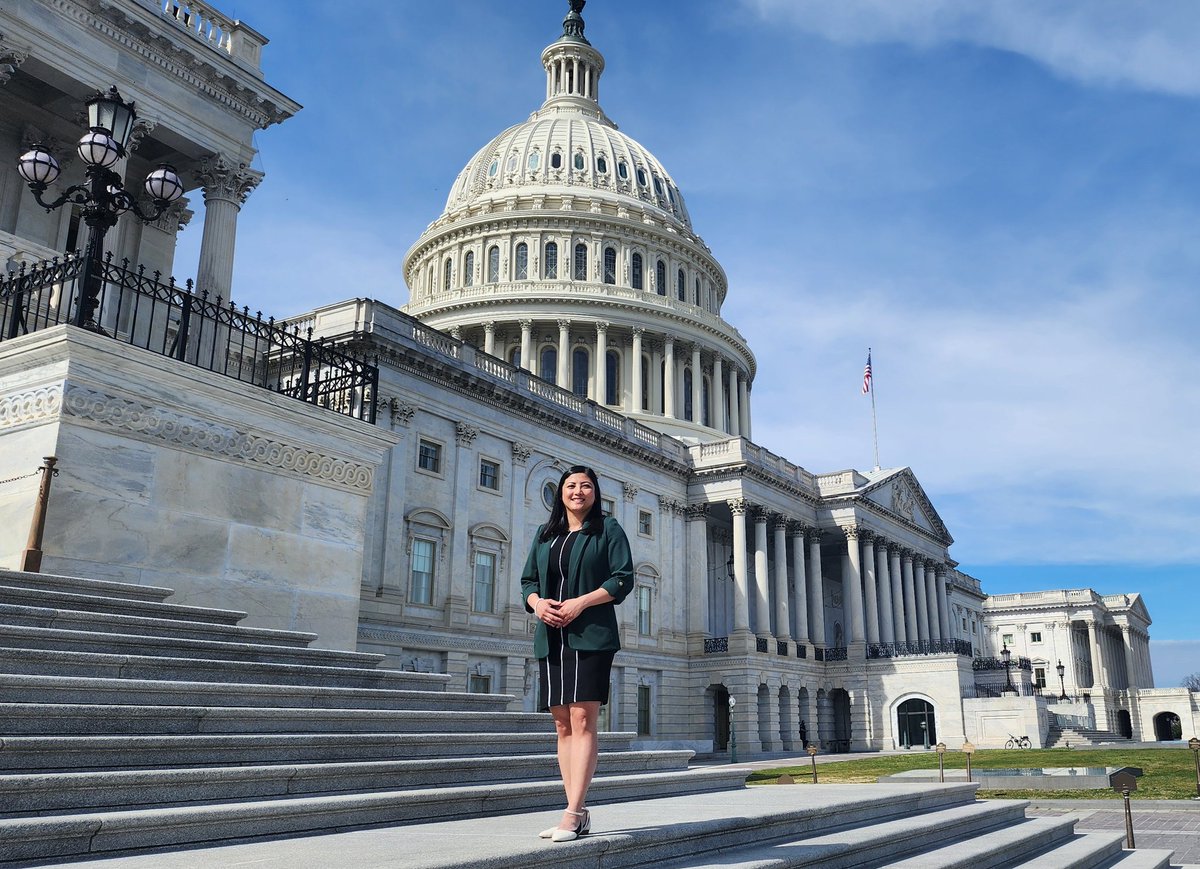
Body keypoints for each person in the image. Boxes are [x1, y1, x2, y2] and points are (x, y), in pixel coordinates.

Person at [520, 464, 633, 843]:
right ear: (561, 492)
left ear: (595, 493)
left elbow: (623, 578)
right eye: (571, 485)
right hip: (551, 636)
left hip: (591, 635)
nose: (578, 491)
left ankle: (573, 812)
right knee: (562, 725)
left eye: (586, 486)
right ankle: (575, 811)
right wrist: (537, 603)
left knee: (583, 721)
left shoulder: (608, 529)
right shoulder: (544, 534)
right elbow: (528, 582)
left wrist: (580, 603)